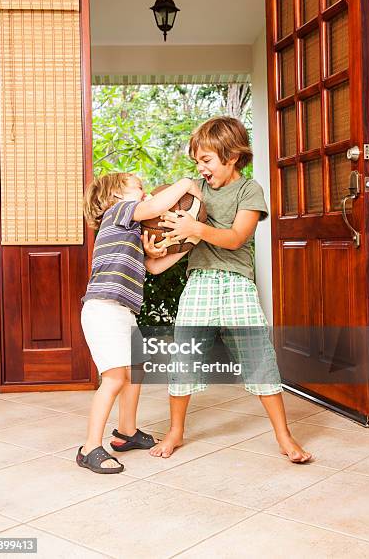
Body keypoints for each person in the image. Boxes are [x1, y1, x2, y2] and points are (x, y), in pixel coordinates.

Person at [144, 116, 312, 464]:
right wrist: (163, 244)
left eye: (206, 160)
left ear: (231, 155)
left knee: (258, 356)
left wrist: (195, 228)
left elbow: (236, 239)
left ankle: (283, 435)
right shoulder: (195, 191)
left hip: (236, 284)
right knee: (184, 356)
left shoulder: (249, 190)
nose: (200, 168)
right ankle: (176, 431)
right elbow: (176, 229)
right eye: (196, 161)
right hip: (200, 281)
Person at [76, 172, 201, 473]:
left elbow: (154, 266)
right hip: (103, 309)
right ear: (114, 197)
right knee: (115, 378)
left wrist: (188, 246)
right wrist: (185, 183)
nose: (145, 194)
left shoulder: (129, 234)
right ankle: (90, 446)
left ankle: (126, 432)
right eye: (140, 189)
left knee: (135, 370)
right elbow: (155, 207)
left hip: (122, 311)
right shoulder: (117, 212)